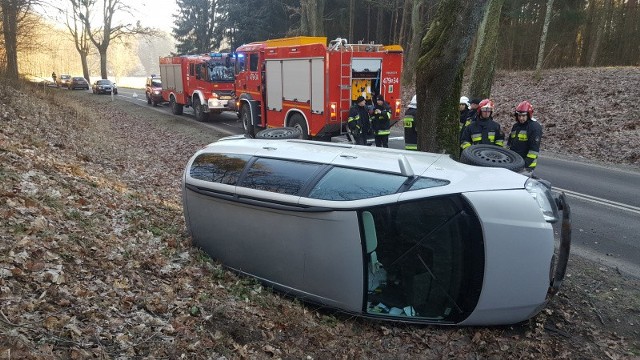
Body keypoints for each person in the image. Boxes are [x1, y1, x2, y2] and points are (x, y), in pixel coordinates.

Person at [507, 100, 543, 172]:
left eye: (523, 116)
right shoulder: (516, 126)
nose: (521, 118)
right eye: (519, 116)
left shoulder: (535, 127)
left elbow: (534, 150)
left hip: (527, 166)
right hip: (514, 162)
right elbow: (510, 143)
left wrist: (525, 165)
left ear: (528, 115)